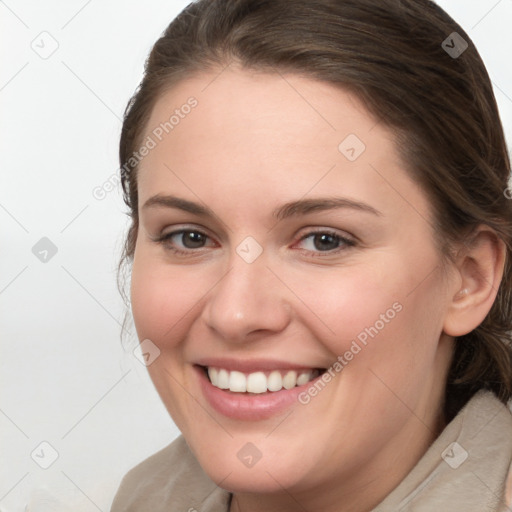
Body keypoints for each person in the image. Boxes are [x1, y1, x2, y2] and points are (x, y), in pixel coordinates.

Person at [110, 0, 512, 510]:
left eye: (324, 240)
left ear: (469, 278)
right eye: (189, 237)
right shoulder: (145, 498)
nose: (236, 313)